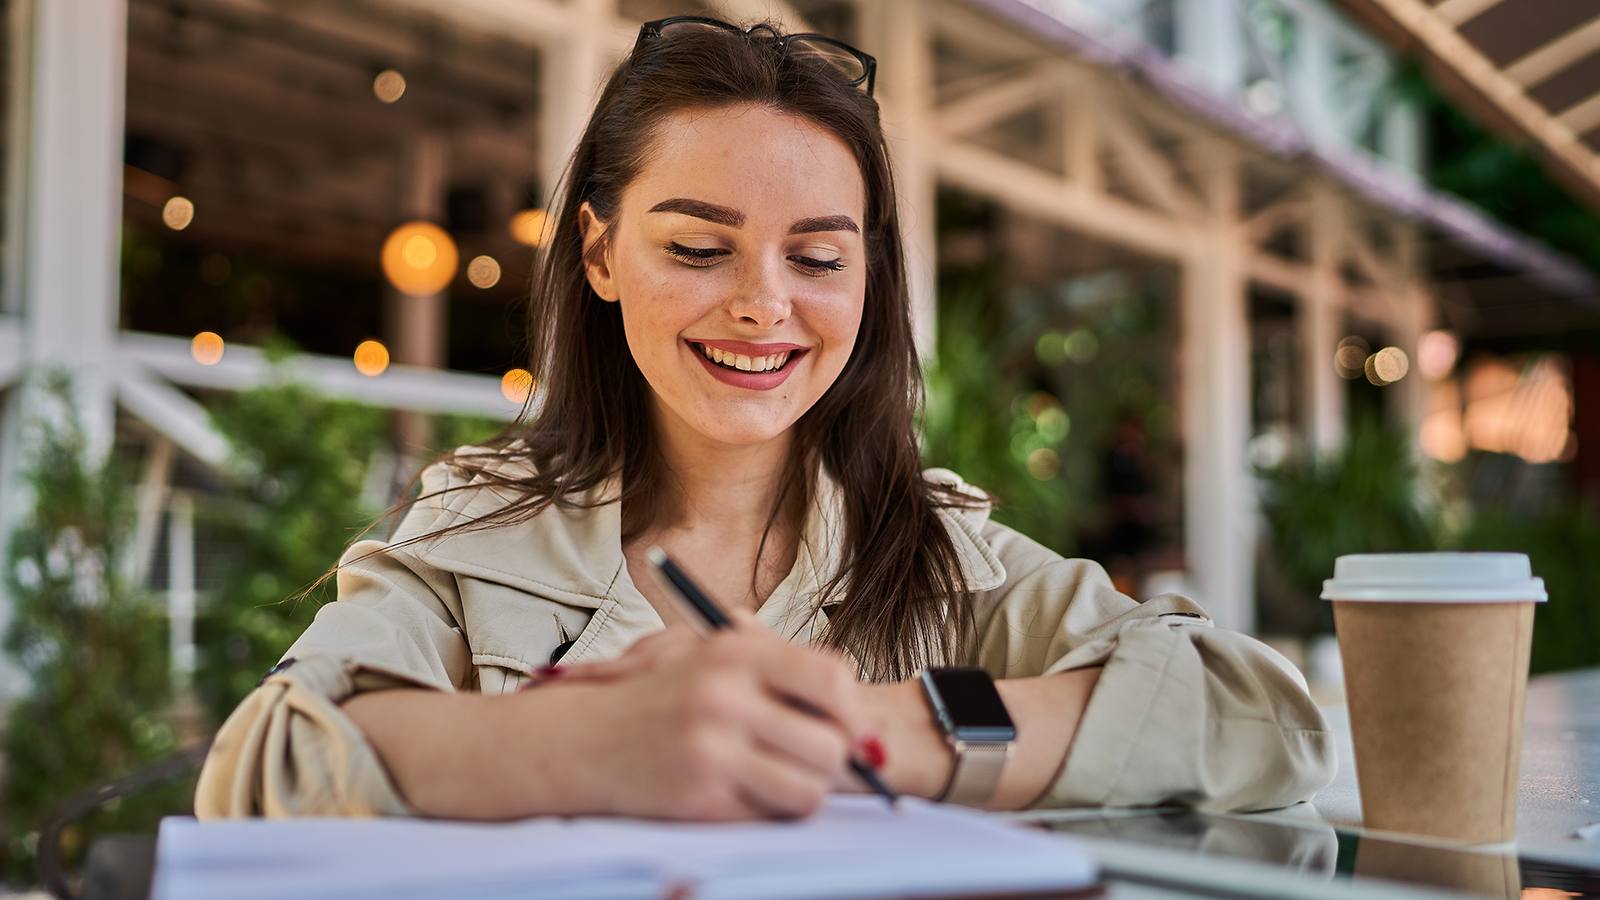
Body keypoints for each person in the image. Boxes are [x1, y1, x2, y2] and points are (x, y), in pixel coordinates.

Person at [195, 17, 1334, 821]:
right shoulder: (477, 534)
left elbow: (1259, 719)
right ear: (597, 253)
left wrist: (863, 737)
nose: (763, 304)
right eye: (697, 247)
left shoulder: (943, 558)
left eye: (820, 256)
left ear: (869, 279)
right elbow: (266, 767)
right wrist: (573, 746)